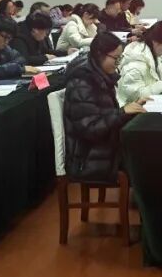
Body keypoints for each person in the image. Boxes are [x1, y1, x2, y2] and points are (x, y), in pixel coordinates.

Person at [61, 31, 146, 182]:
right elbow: (90, 129)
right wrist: (122, 113)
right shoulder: (82, 83)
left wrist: (130, 109)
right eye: (116, 58)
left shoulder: (100, 76)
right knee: (148, 154)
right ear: (100, 55)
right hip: (89, 158)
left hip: (102, 148)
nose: (118, 63)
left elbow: (105, 116)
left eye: (120, 58)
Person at [117, 20, 162, 106]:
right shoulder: (135, 63)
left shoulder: (152, 55)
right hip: (134, 109)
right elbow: (135, 96)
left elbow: (154, 79)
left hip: (149, 105)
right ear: (155, 42)